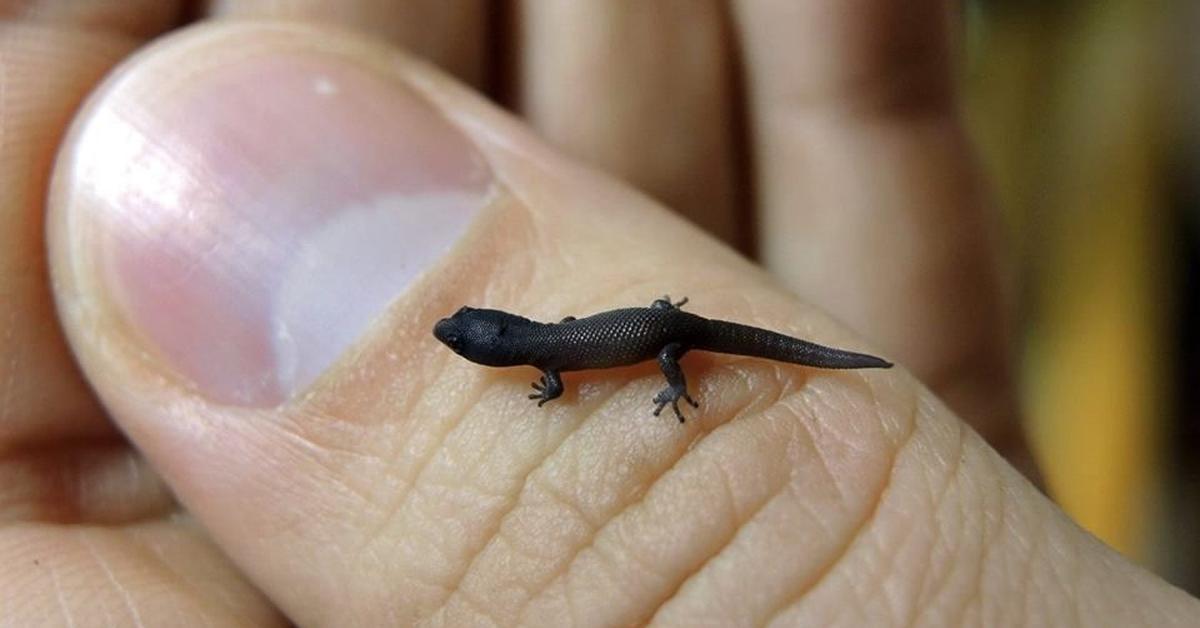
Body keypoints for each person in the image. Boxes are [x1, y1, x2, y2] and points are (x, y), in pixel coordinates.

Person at [3, 2, 1197, 625]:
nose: (466, 338)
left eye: (467, 336)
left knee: (776, 347)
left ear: (492, 342)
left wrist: (671, 377)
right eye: (470, 338)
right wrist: (640, 357)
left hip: (666, 332)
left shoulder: (549, 366)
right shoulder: (537, 351)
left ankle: (749, 360)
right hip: (655, 321)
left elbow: (557, 368)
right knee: (730, 329)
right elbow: (545, 358)